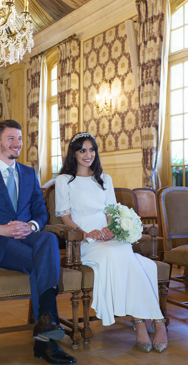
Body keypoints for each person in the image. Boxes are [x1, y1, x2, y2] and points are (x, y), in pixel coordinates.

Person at [0, 119, 76, 365]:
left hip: (27, 237)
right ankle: (46, 337)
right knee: (41, 259)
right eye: (11, 138)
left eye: (19, 139)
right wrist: (0, 229)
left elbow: (41, 213)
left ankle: (45, 325)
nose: (17, 144)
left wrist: (31, 226)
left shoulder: (29, 173)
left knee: (48, 239)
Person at [55, 132, 168, 353]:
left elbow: (111, 212)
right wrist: (87, 233)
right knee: (130, 260)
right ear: (74, 154)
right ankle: (151, 322)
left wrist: (109, 229)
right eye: (82, 150)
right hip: (84, 241)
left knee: (133, 259)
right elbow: (65, 217)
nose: (88, 155)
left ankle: (147, 323)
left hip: (109, 237)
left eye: (91, 150)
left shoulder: (104, 179)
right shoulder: (64, 180)